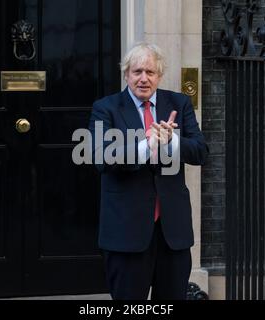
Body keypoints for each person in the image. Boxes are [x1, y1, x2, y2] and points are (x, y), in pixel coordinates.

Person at [88, 43, 209, 300]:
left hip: (172, 234)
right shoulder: (105, 108)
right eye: (137, 71)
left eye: (150, 72)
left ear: (159, 75)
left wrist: (172, 140)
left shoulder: (179, 103)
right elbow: (102, 158)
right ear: (126, 74)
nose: (144, 78)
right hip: (126, 234)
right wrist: (147, 145)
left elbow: (201, 152)